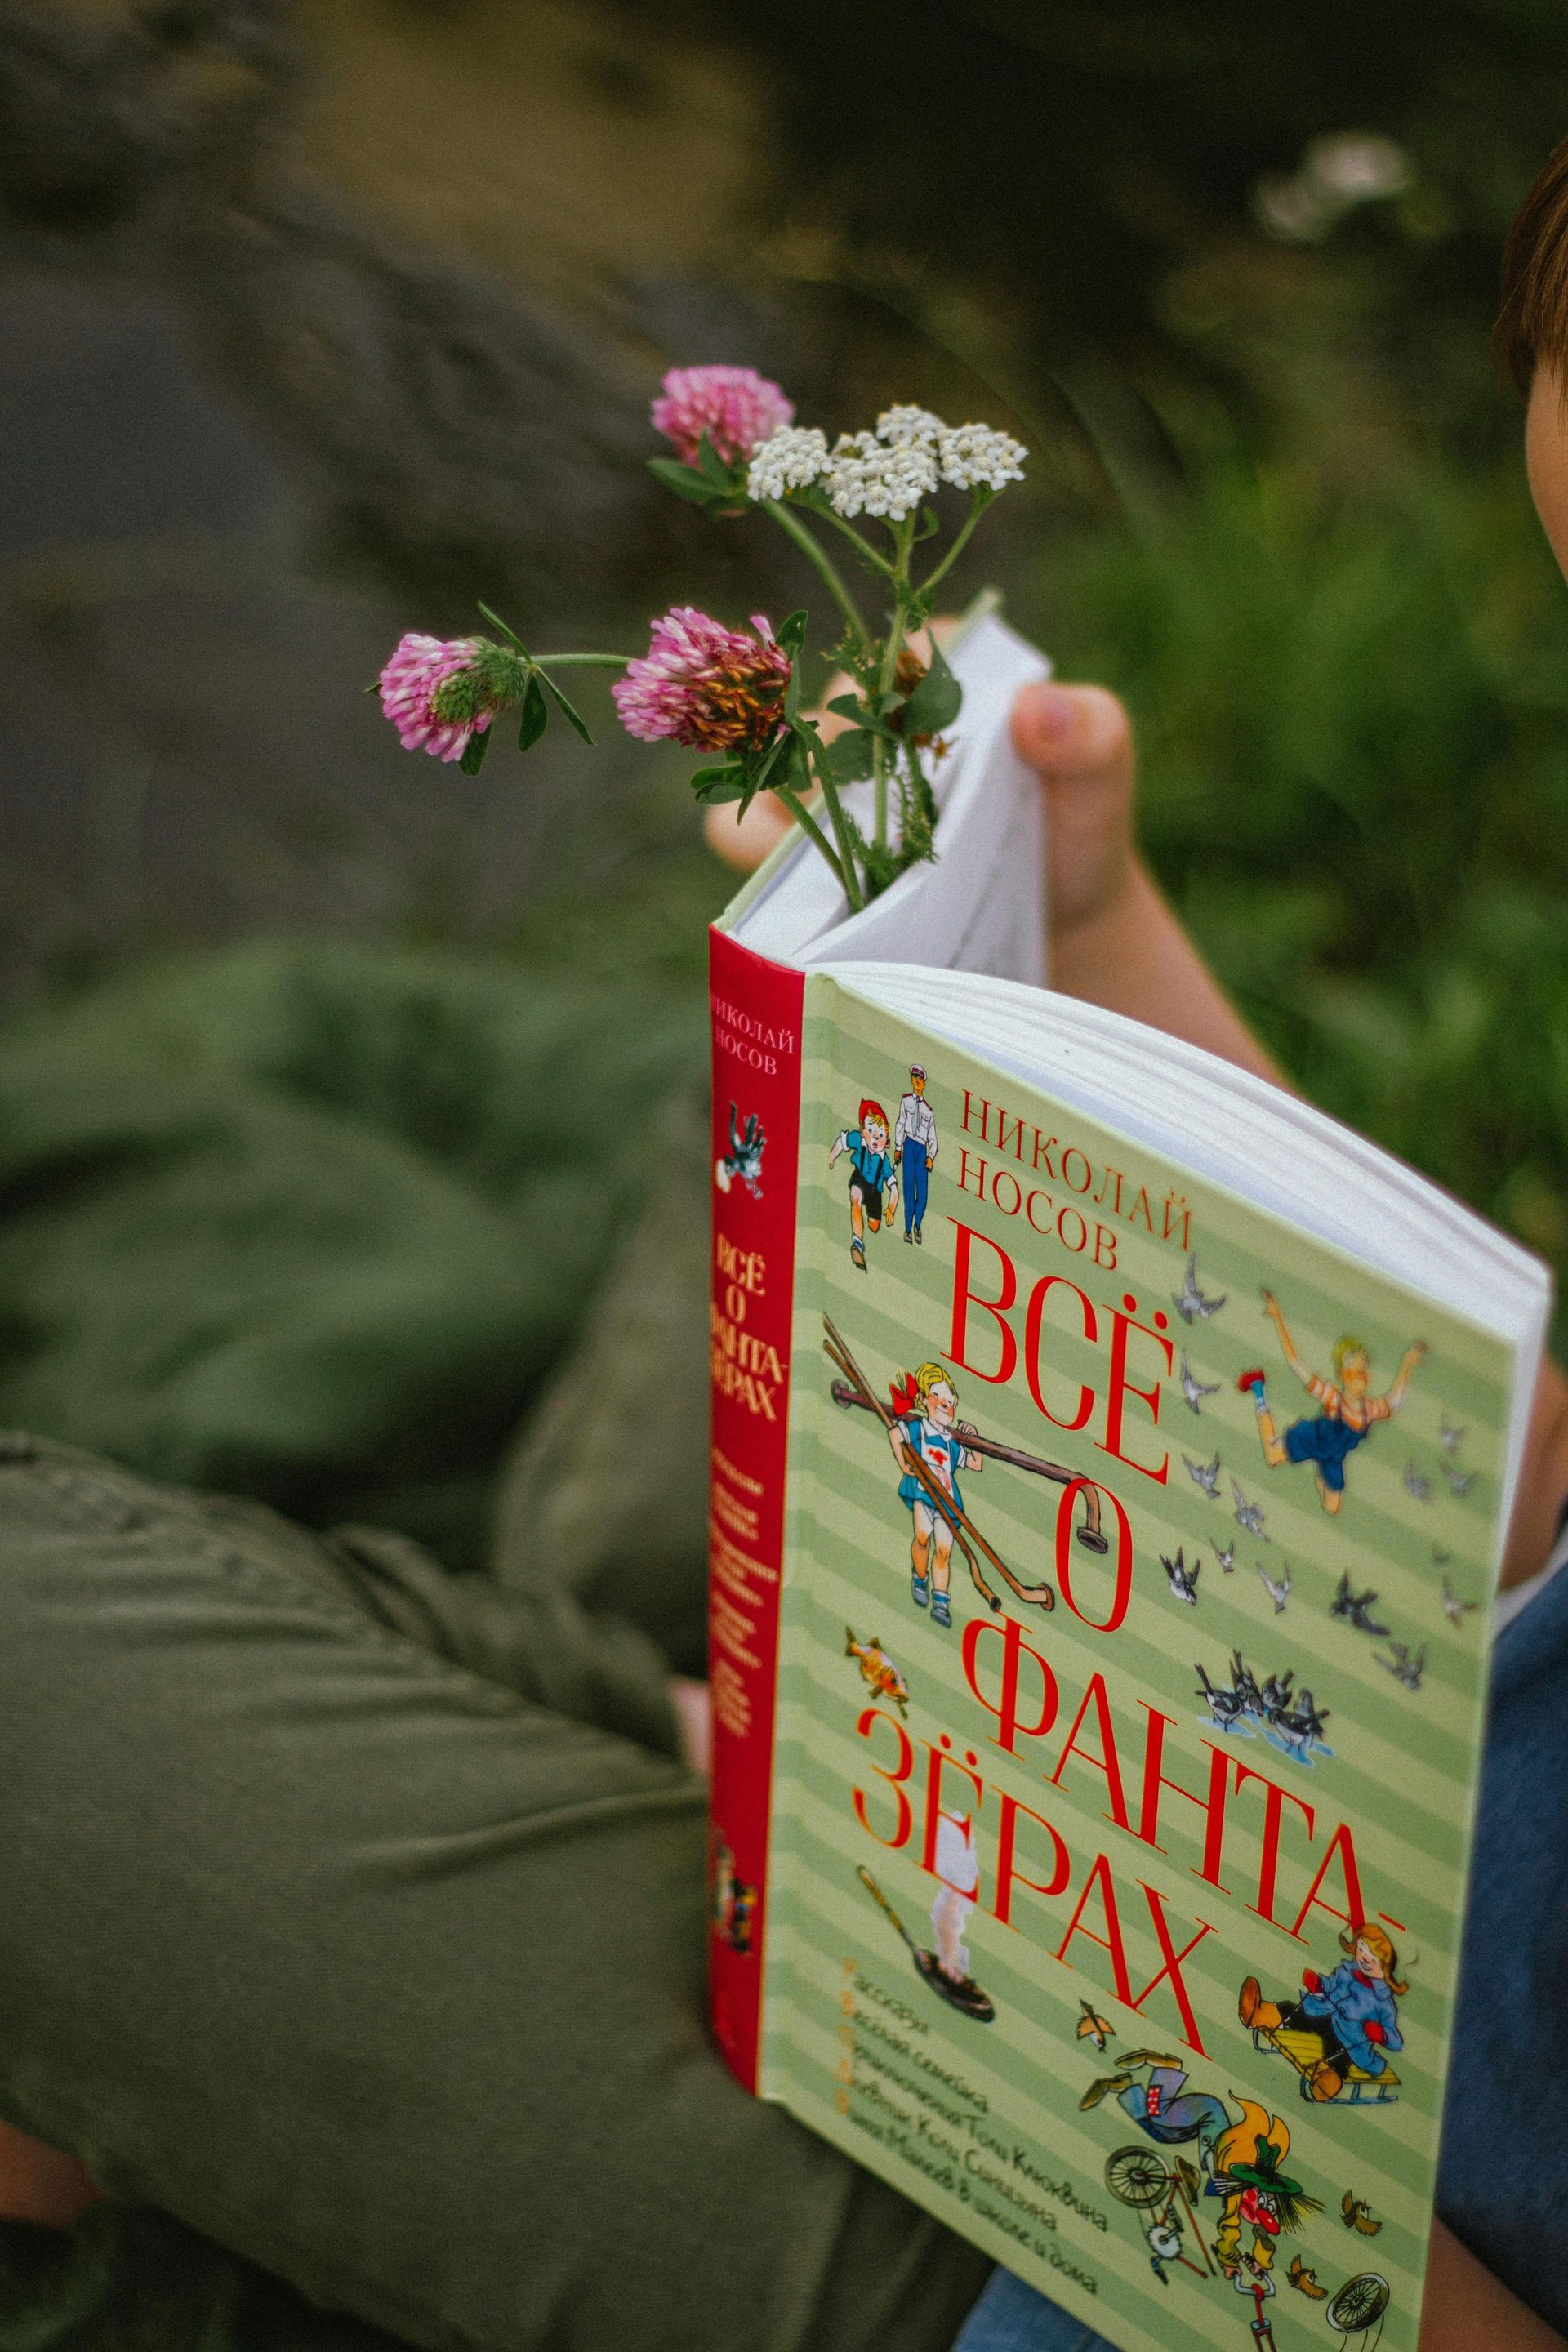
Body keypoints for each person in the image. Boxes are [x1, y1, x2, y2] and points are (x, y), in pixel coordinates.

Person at [7, 143, 1568, 2352]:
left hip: (1103, 2216)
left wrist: (1129, 2027)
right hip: (1062, 1838)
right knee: (216, 1637)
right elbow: (1531, 1512)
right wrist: (1086, 921)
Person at [1236, 1292, 1426, 1514]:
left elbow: (1396, 1401)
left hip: (1333, 1458)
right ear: (1342, 1374)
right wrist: (1278, 1317)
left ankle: (1321, 1477)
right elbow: (1296, 1363)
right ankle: (1258, 1388)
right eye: (1353, 1369)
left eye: (1363, 1368)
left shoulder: (1369, 1411)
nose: (1359, 1374)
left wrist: (1408, 1363)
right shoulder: (1333, 1398)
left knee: (1332, 1508)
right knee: (1272, 1456)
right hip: (1311, 1439)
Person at [887, 1360, 982, 1629]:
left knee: (944, 1551)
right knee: (921, 1537)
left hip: (948, 1502)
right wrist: (903, 1464)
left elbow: (976, 1464)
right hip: (923, 1494)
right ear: (923, 1400)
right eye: (938, 1396)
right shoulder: (919, 1428)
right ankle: (919, 1576)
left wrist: (974, 1437)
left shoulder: (952, 1443)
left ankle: (941, 1600)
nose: (945, 1404)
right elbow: (895, 1434)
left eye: (950, 1400)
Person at [827, 1096, 897, 1271]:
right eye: (871, 1130)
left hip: (875, 1192)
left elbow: (894, 1189)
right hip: (860, 1180)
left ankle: (872, 1221)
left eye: (880, 1134)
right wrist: (831, 1156)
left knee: (874, 1226)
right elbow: (842, 1142)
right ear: (863, 1131)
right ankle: (857, 1244)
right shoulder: (859, 1140)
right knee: (855, 1199)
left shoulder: (885, 1162)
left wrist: (891, 1208)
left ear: (887, 1140)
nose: (875, 1137)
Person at [893, 1065, 938, 1244]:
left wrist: (931, 1157)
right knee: (908, 1192)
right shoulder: (906, 1102)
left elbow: (933, 1138)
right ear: (912, 1080)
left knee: (923, 1194)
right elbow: (900, 1124)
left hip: (922, 1150)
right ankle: (907, 1230)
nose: (917, 1082)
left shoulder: (928, 1110)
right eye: (915, 1078)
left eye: (920, 1079)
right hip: (909, 1145)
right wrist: (898, 1147)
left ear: (924, 1084)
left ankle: (917, 1224)